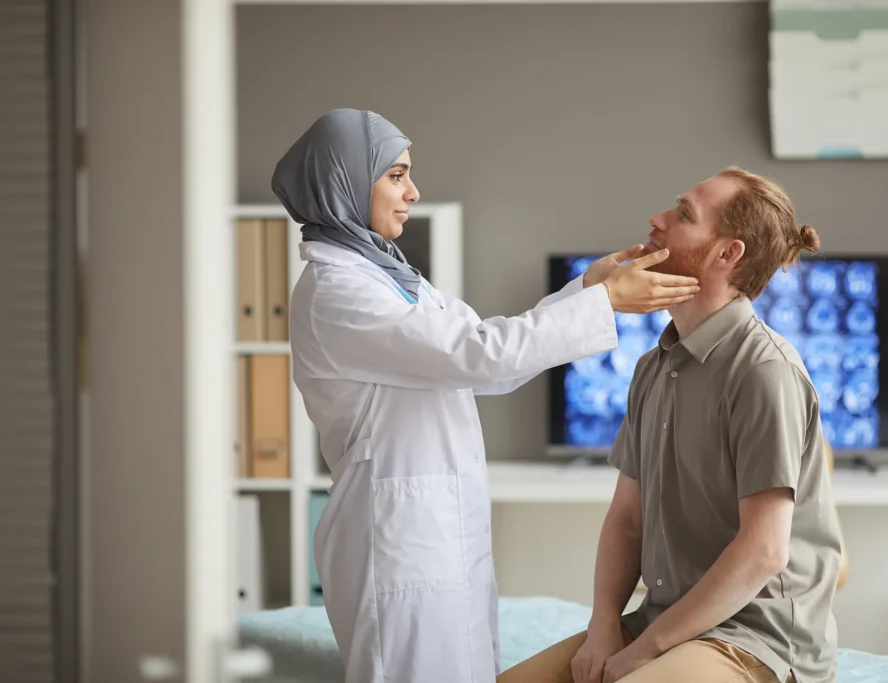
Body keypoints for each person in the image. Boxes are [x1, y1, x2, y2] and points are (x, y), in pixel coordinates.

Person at [272, 108, 701, 683]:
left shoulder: (390, 276)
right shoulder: (339, 291)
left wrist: (586, 289)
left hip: (433, 528)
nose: (412, 192)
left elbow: (486, 360)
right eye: (396, 175)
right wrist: (605, 304)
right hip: (396, 536)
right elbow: (479, 356)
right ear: (344, 181)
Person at [497, 167, 843, 683]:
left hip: (753, 640)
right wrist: (603, 628)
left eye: (683, 215)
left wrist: (642, 653)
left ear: (728, 254)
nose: (656, 219)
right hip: (665, 620)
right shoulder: (653, 366)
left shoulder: (764, 372)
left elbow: (763, 552)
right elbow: (628, 519)